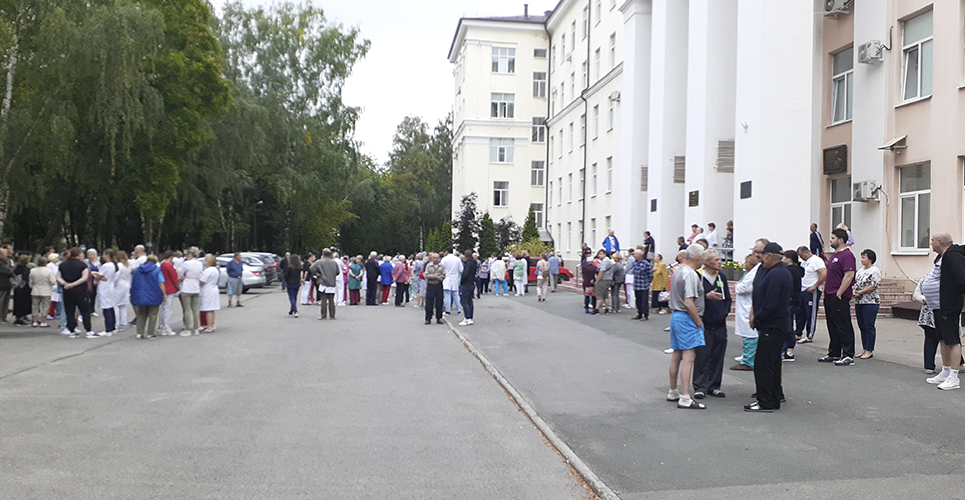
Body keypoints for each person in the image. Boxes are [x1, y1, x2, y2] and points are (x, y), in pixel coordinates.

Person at [746, 242, 793, 413]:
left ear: (770, 256)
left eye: (763, 255)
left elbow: (770, 304)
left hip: (772, 324)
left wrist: (757, 318)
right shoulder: (775, 271)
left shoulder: (776, 274)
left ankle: (765, 401)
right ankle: (773, 398)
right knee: (772, 362)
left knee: (764, 364)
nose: (761, 258)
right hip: (776, 323)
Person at [666, 244, 707, 410]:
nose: (704, 260)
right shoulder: (690, 274)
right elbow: (689, 302)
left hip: (676, 316)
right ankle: (684, 396)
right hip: (687, 317)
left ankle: (673, 390)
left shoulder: (678, 270)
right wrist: (698, 322)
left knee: (677, 354)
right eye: (703, 256)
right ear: (698, 257)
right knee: (689, 357)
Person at [923, 232, 965, 390]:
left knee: (952, 340)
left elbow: (961, 279)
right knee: (942, 339)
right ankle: (945, 371)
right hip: (937, 305)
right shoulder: (942, 257)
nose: (931, 243)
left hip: (948, 305)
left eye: (932, 240)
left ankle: (954, 376)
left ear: (940, 242)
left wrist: (955, 298)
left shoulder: (953, 256)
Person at [692, 249, 731, 400]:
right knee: (702, 355)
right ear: (707, 262)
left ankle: (714, 386)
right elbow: (692, 298)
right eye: (716, 260)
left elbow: (727, 298)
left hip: (719, 323)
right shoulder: (698, 276)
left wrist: (724, 312)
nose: (720, 262)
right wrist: (706, 297)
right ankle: (700, 386)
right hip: (704, 323)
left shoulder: (721, 277)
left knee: (717, 356)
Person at [819, 228, 857, 366]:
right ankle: (834, 352)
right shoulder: (834, 256)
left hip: (839, 296)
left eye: (833, 238)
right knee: (832, 325)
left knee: (843, 325)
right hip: (829, 295)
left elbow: (849, 276)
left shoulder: (847, 255)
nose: (830, 240)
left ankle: (848, 354)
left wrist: (839, 293)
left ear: (841, 240)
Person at [732, 246, 764, 371]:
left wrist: (738, 286)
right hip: (746, 305)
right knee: (747, 333)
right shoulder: (751, 272)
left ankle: (748, 361)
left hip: (748, 306)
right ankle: (747, 356)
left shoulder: (755, 272)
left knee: (749, 334)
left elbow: (744, 287)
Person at [57, 247, 97, 338]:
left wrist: (66, 284)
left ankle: (71, 331)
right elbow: (84, 277)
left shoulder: (62, 265)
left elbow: (58, 277)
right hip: (80, 290)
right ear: (79, 254)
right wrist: (73, 284)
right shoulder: (82, 265)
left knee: (69, 310)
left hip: (67, 290)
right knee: (85, 310)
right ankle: (88, 330)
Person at [853, 249, 881, 360]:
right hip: (859, 301)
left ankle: (869, 349)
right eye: (861, 257)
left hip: (871, 302)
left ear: (870, 259)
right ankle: (864, 348)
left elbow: (874, 286)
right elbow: (856, 283)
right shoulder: (860, 271)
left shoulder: (875, 271)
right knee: (862, 325)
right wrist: (855, 292)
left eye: (864, 257)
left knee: (869, 325)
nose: (862, 260)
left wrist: (861, 292)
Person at [131, 254, 166, 340]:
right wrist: (164, 294)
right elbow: (161, 283)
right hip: (154, 294)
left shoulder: (137, 270)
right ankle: (150, 333)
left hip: (140, 294)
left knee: (141, 314)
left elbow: (134, 282)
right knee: (153, 314)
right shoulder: (157, 270)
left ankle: (139, 333)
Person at [795, 246, 826, 343]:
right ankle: (798, 333)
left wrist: (815, 286)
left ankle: (809, 335)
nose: (801, 258)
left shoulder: (816, 260)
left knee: (810, 313)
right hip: (802, 290)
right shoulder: (804, 263)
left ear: (806, 252)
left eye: (801, 255)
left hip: (811, 291)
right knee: (800, 313)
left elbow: (823, 273)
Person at [915, 269, 940, 374]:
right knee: (930, 338)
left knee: (950, 340)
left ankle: (958, 362)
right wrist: (923, 298)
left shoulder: (950, 277)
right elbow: (916, 294)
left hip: (945, 313)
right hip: (928, 315)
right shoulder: (926, 277)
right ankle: (929, 365)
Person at [782, 250, 804, 361]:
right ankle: (787, 348)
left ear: (789, 258)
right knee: (787, 324)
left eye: (784, 257)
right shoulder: (795, 270)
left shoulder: (791, 270)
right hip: (793, 300)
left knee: (787, 325)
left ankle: (789, 349)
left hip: (791, 300)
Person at [178, 247, 203, 336]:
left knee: (187, 309)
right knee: (195, 309)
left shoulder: (186, 263)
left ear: (190, 254)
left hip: (187, 287)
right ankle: (196, 328)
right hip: (196, 287)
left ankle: (187, 328)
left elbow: (180, 272)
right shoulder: (199, 263)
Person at [92, 250, 117, 336]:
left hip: (104, 287)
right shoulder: (113, 265)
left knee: (106, 308)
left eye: (103, 254)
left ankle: (108, 329)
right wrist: (101, 276)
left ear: (107, 255)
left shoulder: (106, 265)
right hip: (110, 286)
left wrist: (96, 276)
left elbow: (99, 276)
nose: (102, 256)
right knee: (110, 307)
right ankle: (112, 327)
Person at [310, 248, 341, 319]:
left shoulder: (319, 262)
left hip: (323, 282)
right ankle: (332, 315)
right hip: (332, 282)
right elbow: (337, 272)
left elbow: (311, 268)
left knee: (323, 300)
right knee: (331, 300)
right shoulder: (334, 262)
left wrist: (317, 274)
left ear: (323, 254)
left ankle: (323, 315)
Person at [29, 257, 56, 328]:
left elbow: (31, 282)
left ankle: (34, 321)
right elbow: (53, 282)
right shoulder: (49, 271)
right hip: (46, 291)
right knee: (45, 307)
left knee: (35, 306)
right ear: (46, 263)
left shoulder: (32, 270)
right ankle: (43, 322)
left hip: (35, 290)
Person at [157, 251, 180, 335]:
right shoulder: (169, 266)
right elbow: (174, 279)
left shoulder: (162, 265)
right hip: (170, 287)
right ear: (171, 257)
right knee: (168, 308)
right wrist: (178, 287)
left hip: (163, 286)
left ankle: (161, 326)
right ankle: (166, 327)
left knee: (163, 308)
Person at [198, 254, 221, 333]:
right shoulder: (215, 269)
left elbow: (202, 281)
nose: (204, 262)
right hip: (213, 289)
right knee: (211, 309)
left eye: (205, 261)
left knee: (208, 309)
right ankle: (211, 325)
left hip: (207, 290)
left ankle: (209, 327)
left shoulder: (208, 270)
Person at [630, 249, 653, 321]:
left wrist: (648, 282)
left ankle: (645, 315)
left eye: (635, 254)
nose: (634, 256)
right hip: (636, 285)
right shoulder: (634, 263)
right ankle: (639, 313)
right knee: (638, 301)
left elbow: (650, 275)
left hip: (644, 285)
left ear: (640, 255)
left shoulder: (646, 264)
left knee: (644, 301)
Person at [423, 252, 445, 324]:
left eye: (437, 258)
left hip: (438, 285)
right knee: (429, 302)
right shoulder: (428, 266)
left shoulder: (442, 266)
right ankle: (428, 318)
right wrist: (436, 275)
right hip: (430, 285)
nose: (435, 259)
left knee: (439, 302)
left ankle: (439, 318)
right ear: (432, 258)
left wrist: (434, 276)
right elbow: (426, 275)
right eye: (434, 258)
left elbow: (443, 275)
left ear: (439, 258)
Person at [113, 251, 132, 331]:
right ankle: (122, 323)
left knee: (115, 304)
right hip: (126, 285)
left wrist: (112, 283)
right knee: (123, 305)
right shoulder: (128, 265)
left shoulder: (119, 265)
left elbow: (116, 276)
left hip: (119, 285)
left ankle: (116, 323)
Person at [458, 249, 477, 326]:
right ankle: (470, 318)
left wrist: (462, 281)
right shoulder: (474, 263)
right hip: (471, 283)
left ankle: (467, 318)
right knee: (470, 301)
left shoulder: (468, 263)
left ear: (465, 255)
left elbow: (465, 274)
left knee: (464, 301)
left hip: (466, 284)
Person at [12, 254, 32, 326]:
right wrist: (21, 285)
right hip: (24, 288)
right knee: (23, 303)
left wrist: (14, 283)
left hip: (17, 288)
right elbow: (25, 279)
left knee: (17, 302)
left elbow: (12, 276)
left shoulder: (16, 268)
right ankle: (20, 319)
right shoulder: (26, 269)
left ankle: (18, 317)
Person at [0, 247, 12, 322]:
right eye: (5, 254)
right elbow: (8, 271)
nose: (6, 255)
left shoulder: (4, 262)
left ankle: (4, 316)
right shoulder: (1, 263)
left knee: (5, 301)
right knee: (2, 301)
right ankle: (1, 316)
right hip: (2, 284)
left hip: (6, 284)